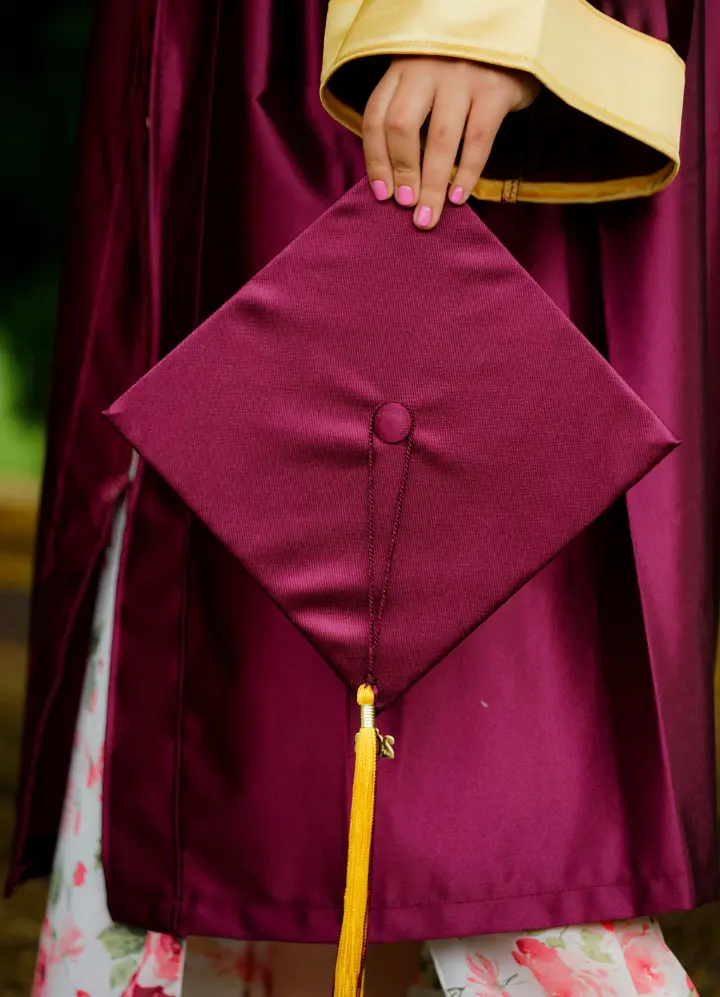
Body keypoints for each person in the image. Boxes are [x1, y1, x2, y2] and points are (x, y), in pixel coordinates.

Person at [10, 1, 718, 995]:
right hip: (212, 101)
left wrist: (488, 17)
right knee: (242, 807)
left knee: (498, 810)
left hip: (398, 60)